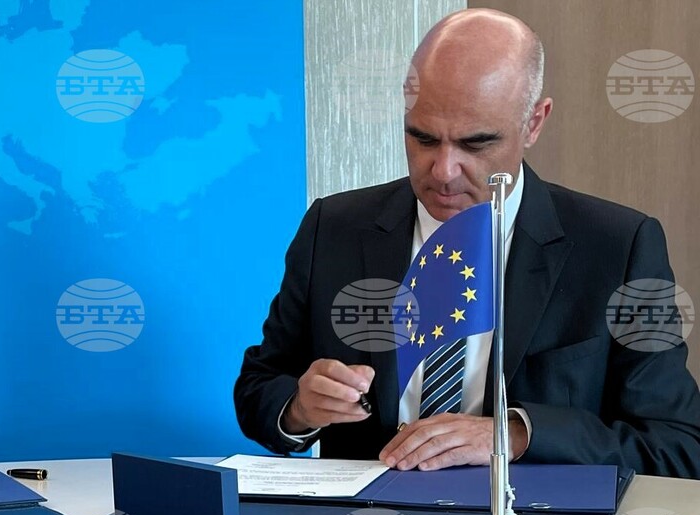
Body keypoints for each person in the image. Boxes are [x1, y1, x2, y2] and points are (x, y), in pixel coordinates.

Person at [234, 9, 700, 478]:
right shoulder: (333, 227)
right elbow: (259, 390)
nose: (443, 171)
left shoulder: (618, 247)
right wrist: (300, 409)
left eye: (475, 144)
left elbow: (678, 446)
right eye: (422, 139)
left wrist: (516, 435)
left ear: (534, 123)